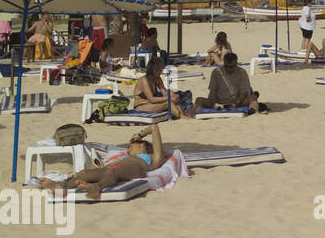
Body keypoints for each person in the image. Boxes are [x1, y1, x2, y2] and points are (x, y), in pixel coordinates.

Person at [39, 124, 171, 201]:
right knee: (84, 173)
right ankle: (61, 187)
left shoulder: (152, 158)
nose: (128, 148)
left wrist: (140, 135)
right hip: (115, 167)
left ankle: (97, 188)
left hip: (137, 168)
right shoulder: (125, 157)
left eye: (132, 145)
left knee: (112, 171)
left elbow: (154, 127)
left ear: (142, 145)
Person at [192, 53, 262, 115]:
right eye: (227, 67)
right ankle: (196, 114)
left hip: (237, 102)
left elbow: (243, 92)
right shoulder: (216, 72)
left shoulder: (242, 72)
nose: (229, 69)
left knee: (253, 98)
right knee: (199, 100)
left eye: (231, 67)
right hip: (218, 101)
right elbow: (213, 91)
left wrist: (236, 103)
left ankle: (253, 113)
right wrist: (215, 104)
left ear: (236, 64)